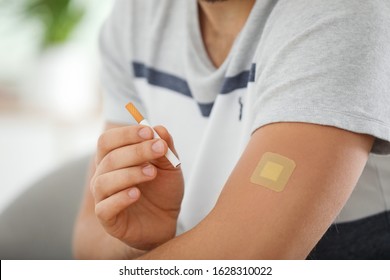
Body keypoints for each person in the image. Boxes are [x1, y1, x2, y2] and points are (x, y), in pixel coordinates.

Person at [73, 0, 390, 259]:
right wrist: (138, 243)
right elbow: (89, 240)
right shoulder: (135, 16)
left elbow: (242, 263)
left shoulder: (343, 12)